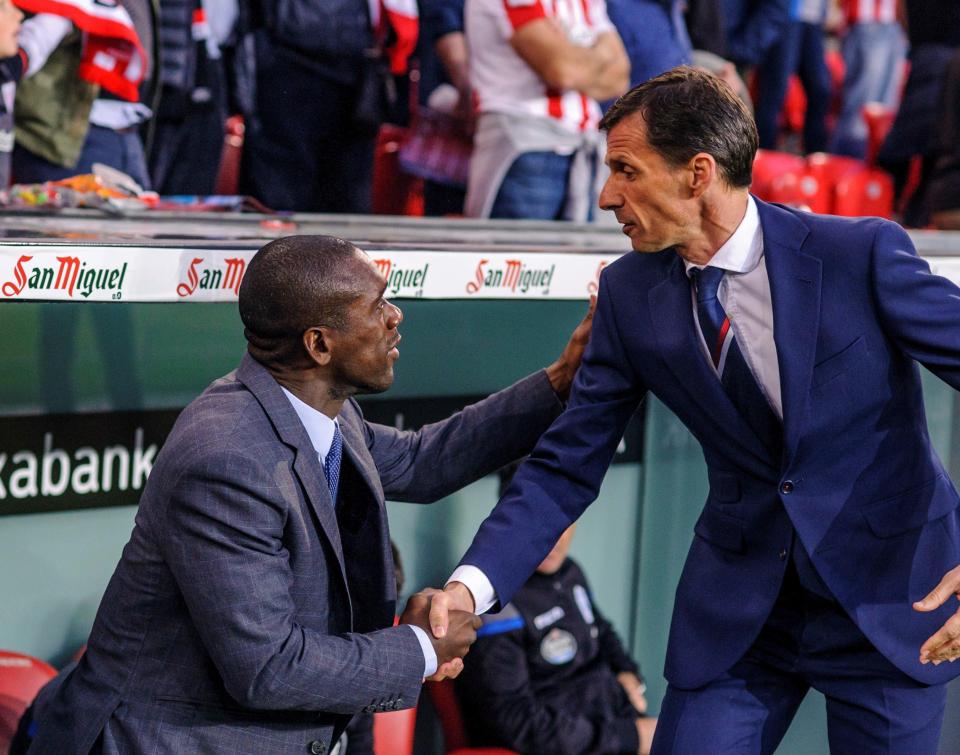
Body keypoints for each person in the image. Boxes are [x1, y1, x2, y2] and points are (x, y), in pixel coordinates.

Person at [424, 67, 960, 754]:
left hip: (895, 600)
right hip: (742, 617)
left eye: (626, 169)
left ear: (697, 172)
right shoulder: (626, 294)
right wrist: (471, 589)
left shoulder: (859, 254)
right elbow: (563, 467)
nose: (607, 195)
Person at [25, 234, 595, 754]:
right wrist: (421, 648)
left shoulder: (322, 412)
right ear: (319, 344)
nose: (396, 318)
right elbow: (267, 666)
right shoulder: (226, 457)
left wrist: (560, 380)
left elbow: (425, 460)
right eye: (378, 307)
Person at [457, 517, 656, 754]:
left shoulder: (570, 573)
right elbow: (515, 722)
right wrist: (629, 738)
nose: (554, 537)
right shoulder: (496, 602)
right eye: (538, 521)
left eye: (565, 522)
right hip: (580, 742)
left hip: (617, 720)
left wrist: (628, 674)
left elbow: (601, 631)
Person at [463, 0, 629, 221]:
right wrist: (594, 58)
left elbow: (619, 78)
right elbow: (561, 70)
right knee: (519, 254)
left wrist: (572, 55)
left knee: (577, 255)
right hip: (524, 147)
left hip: (581, 148)